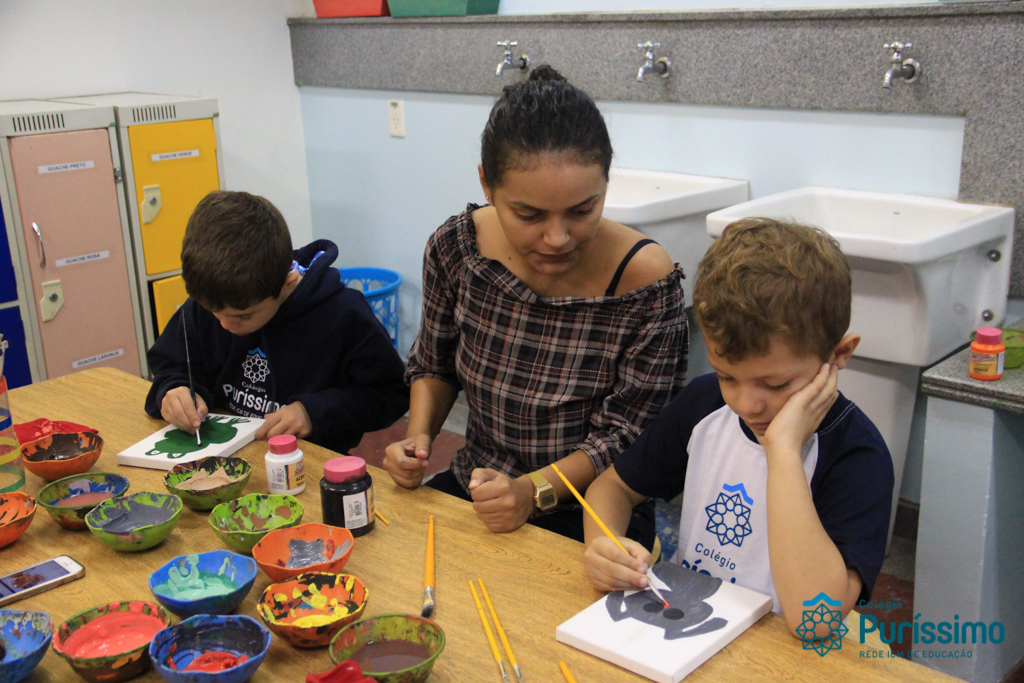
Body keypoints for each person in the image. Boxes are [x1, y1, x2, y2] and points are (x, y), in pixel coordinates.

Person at [383, 66, 688, 546]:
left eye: (583, 210)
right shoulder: (458, 249)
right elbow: (434, 364)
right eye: (528, 214)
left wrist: (531, 492)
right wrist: (417, 438)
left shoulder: (644, 284)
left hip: (593, 508)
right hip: (479, 485)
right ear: (486, 185)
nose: (557, 238)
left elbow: (628, 435)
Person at [582, 218, 893, 637]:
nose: (746, 404)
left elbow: (813, 623)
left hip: (783, 653)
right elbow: (613, 489)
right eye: (727, 375)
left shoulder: (858, 456)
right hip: (684, 631)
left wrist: (783, 450)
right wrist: (603, 544)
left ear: (839, 355)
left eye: (776, 384)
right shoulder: (705, 404)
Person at [146, 191, 410, 454]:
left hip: (308, 461)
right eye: (213, 312)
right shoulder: (212, 298)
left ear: (288, 281)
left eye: (244, 316)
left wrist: (313, 412)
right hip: (225, 455)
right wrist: (173, 389)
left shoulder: (343, 314)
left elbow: (390, 394)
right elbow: (172, 363)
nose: (224, 325)